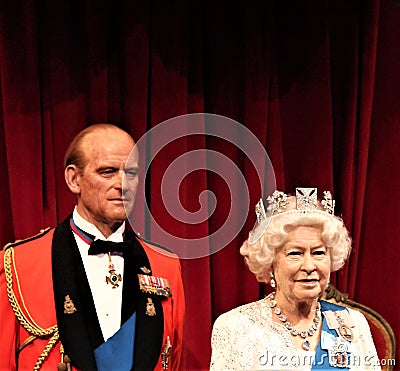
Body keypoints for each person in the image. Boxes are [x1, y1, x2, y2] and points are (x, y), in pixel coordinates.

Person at [0, 124, 185, 371]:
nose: (123, 184)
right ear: (74, 179)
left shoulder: (165, 265)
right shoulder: (18, 264)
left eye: (131, 173)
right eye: (108, 172)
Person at [210, 187, 380, 370]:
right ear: (270, 262)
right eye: (295, 253)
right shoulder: (237, 327)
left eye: (318, 253)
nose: (309, 265)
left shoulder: (352, 323)